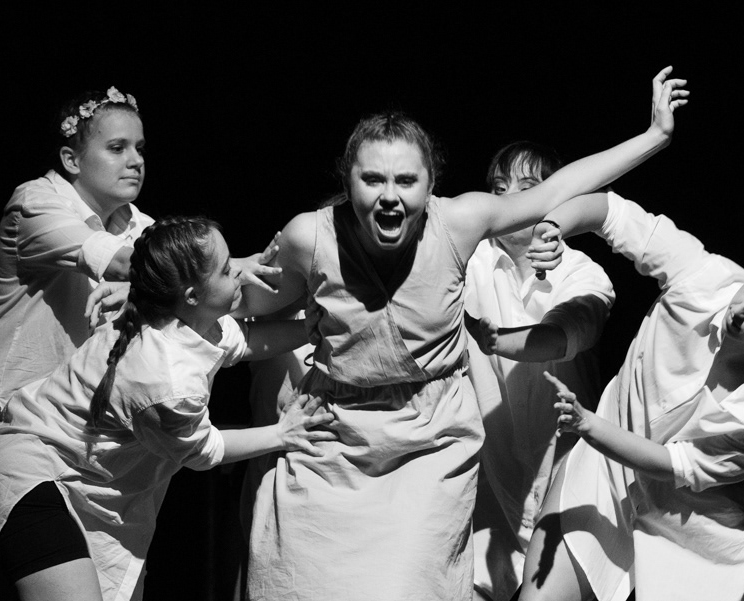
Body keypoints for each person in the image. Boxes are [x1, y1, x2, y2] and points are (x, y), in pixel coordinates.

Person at [238, 67, 689, 601]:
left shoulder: (457, 224)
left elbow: (558, 190)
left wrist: (654, 136)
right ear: (347, 180)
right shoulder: (308, 236)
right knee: (295, 578)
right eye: (372, 179)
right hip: (333, 439)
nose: (389, 196)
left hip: (428, 442)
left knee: (407, 587)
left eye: (406, 181)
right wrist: (162, 274)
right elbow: (239, 296)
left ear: (431, 184)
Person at [0, 88, 277, 546]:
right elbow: (143, 268)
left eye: (140, 148)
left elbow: (193, 289)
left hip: (70, 428)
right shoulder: (35, 204)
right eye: (117, 148)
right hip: (3, 407)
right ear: (71, 159)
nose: (135, 161)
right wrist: (230, 266)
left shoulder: (137, 224)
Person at [0, 217, 337, 601]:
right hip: (27, 474)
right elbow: (205, 451)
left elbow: (245, 340)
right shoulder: (164, 376)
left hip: (74, 481)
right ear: (191, 295)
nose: (239, 271)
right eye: (225, 269)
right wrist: (282, 433)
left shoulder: (178, 320)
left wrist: (315, 329)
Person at [510, 189, 744, 601]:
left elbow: (673, 466)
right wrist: (554, 227)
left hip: (695, 519)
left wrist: (588, 425)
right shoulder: (704, 275)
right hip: (603, 476)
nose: (740, 309)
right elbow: (610, 213)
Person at [464, 142, 614, 601]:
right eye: (499, 189)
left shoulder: (585, 274)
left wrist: (496, 341)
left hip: (567, 496)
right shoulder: (469, 262)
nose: (508, 199)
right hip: (486, 498)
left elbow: (563, 334)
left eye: (527, 187)